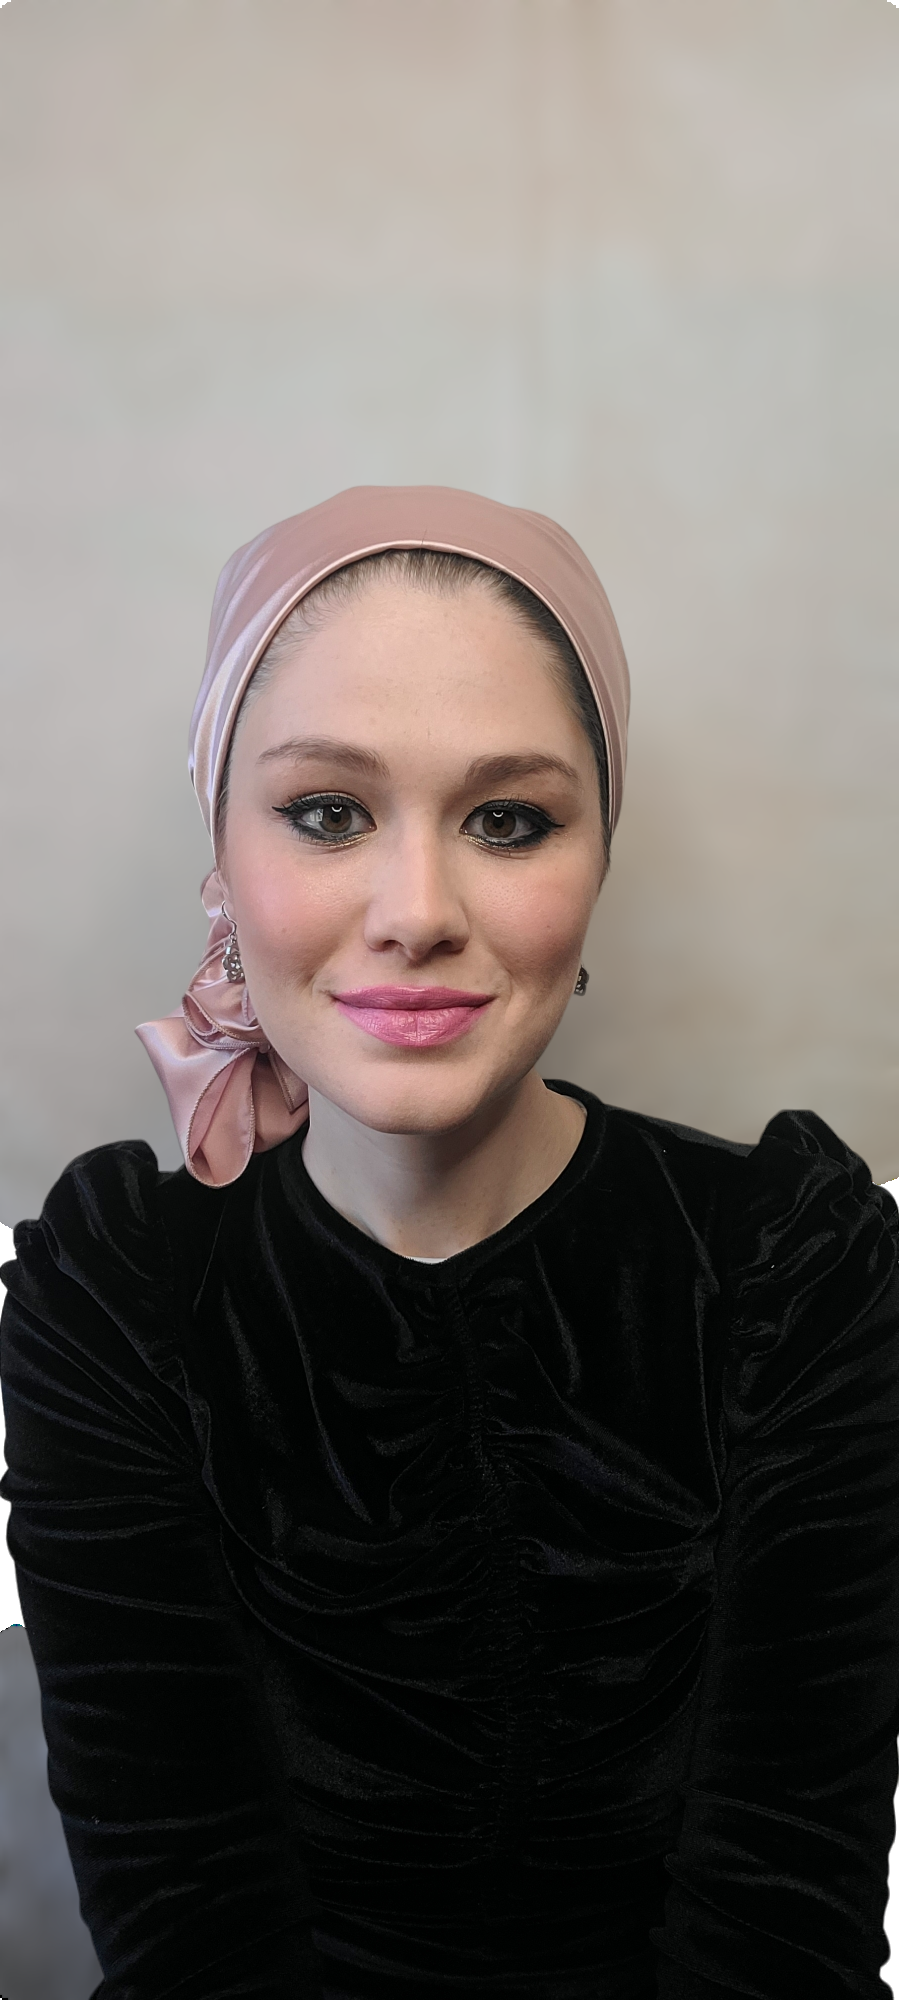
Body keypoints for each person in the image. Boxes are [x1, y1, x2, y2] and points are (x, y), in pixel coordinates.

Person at [2, 485, 898, 2000]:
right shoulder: (118, 1291)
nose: (416, 911)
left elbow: (789, 1900)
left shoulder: (789, 1262)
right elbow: (184, 1912)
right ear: (220, 853)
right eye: (326, 812)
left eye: (507, 820)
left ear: (597, 856)